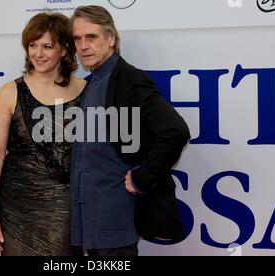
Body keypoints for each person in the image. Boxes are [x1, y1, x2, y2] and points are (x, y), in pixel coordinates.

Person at [69, 6, 191, 256]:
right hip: (90, 219)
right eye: (77, 39)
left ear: (111, 38)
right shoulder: (91, 83)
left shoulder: (129, 79)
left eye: (91, 37)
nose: (83, 46)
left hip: (115, 220)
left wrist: (142, 178)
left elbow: (175, 131)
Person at [0, 12, 86, 256]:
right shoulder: (11, 92)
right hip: (15, 208)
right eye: (32, 45)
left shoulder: (86, 91)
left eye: (47, 46)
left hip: (64, 209)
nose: (37, 54)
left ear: (63, 49)